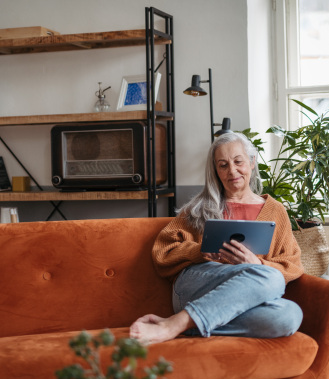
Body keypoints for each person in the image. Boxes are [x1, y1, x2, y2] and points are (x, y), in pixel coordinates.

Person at [130, 131, 304, 345]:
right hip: (196, 287)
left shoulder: (276, 211)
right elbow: (162, 252)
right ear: (215, 171)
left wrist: (257, 263)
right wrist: (199, 251)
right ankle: (174, 324)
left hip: (239, 300)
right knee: (271, 277)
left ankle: (186, 325)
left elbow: (293, 264)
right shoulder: (198, 208)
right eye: (222, 165)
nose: (232, 171)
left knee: (289, 316)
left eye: (238, 161)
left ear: (251, 162)